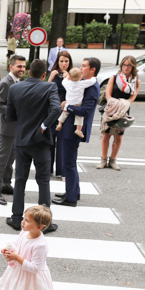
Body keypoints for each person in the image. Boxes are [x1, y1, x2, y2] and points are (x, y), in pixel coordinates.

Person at [5, 59, 61, 234]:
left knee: (20, 180)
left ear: (29, 72)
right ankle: (45, 223)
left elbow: (9, 116)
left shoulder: (14, 88)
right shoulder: (49, 87)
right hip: (41, 141)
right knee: (43, 181)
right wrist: (43, 126)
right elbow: (56, 109)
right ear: (44, 74)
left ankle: (16, 218)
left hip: (22, 140)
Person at [53, 58, 100, 208]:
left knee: (68, 163)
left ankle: (71, 198)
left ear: (92, 69)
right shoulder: (84, 83)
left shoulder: (92, 86)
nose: (81, 68)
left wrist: (67, 107)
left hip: (73, 130)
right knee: (69, 162)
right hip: (69, 128)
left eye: (84, 66)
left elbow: (85, 110)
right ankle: (73, 192)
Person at [96, 56, 139, 172]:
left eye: (128, 65)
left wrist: (124, 104)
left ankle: (113, 160)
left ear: (133, 67)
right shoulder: (114, 78)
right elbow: (108, 95)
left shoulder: (135, 81)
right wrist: (113, 103)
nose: (126, 67)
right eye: (124, 65)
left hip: (123, 110)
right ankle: (103, 160)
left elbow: (133, 96)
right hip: (111, 108)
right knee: (106, 134)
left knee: (119, 136)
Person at [0, 55, 26, 206]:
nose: (22, 69)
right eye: (19, 66)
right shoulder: (5, 83)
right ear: (11, 67)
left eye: (24, 66)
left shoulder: (18, 81)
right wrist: (18, 110)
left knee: (10, 159)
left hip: (16, 127)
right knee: (2, 160)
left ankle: (6, 184)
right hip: (7, 127)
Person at [46, 51, 74, 178]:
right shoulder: (53, 73)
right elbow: (45, 90)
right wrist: (51, 77)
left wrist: (69, 77)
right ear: (57, 61)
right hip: (52, 110)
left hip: (66, 112)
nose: (63, 64)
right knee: (50, 140)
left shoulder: (73, 74)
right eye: (61, 61)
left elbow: (76, 92)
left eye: (66, 61)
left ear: (69, 62)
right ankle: (48, 169)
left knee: (63, 141)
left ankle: (62, 171)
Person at [55, 68, 97, 139]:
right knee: (79, 116)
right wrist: (94, 77)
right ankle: (78, 129)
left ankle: (59, 124)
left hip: (68, 102)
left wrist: (66, 77)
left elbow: (63, 81)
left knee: (64, 113)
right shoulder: (82, 84)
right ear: (81, 77)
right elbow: (92, 81)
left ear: (69, 77)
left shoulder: (67, 83)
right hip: (77, 104)